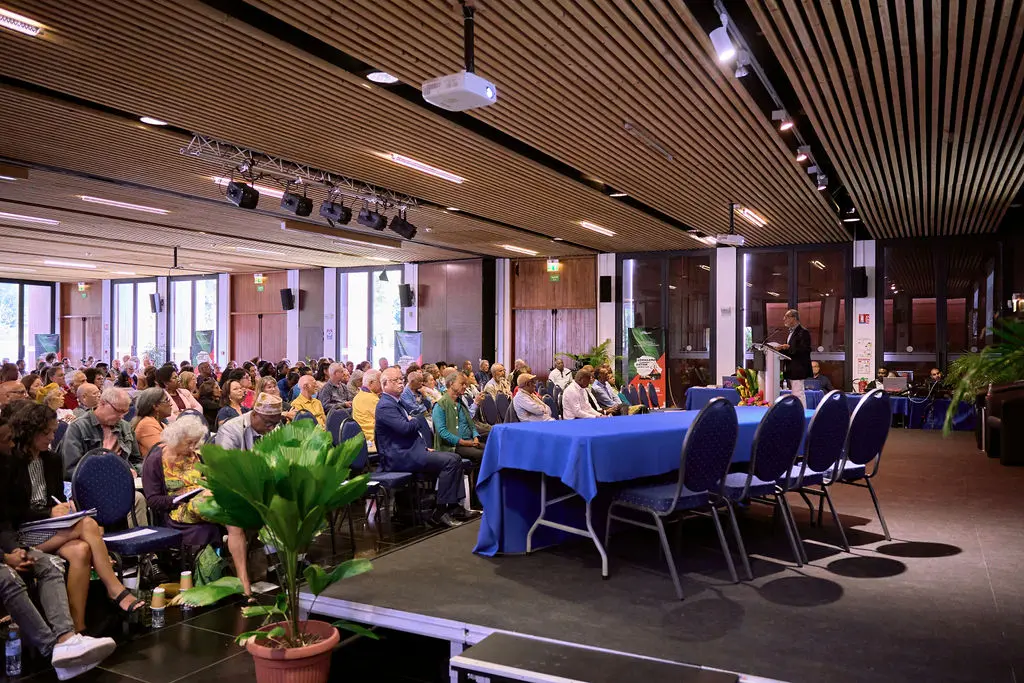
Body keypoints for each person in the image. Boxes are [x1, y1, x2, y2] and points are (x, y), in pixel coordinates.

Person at [4, 403, 145, 632]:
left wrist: (63, 508)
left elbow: (56, 497)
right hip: (23, 530)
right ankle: (115, 589)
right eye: (47, 432)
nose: (52, 437)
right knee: (89, 525)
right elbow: (10, 511)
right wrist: (48, 512)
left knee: (81, 550)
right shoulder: (12, 462)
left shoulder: (51, 460)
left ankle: (77, 628)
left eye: (52, 431)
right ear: (30, 432)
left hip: (50, 527)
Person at [144, 416, 253, 600]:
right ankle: (244, 582)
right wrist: (178, 498)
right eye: (189, 443)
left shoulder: (197, 456)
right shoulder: (156, 460)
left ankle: (242, 581)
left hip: (205, 506)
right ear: (175, 439)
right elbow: (153, 501)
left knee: (231, 513)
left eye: (195, 443)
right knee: (232, 517)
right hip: (177, 510)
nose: (192, 447)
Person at [376, 367, 466, 527]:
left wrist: (423, 445)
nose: (400, 382)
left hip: (412, 451)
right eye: (395, 380)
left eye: (400, 379)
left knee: (455, 458)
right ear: (384, 384)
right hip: (399, 457)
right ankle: (440, 512)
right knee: (451, 461)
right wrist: (415, 419)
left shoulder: (396, 402)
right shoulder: (385, 406)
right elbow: (405, 428)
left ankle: (454, 507)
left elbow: (409, 429)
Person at [60, 387, 148, 528]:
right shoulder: (79, 428)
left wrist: (132, 470)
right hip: (90, 487)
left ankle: (140, 545)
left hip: (121, 486)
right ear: (102, 403)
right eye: (118, 411)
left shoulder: (125, 427)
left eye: (125, 412)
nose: (122, 416)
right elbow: (70, 469)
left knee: (139, 499)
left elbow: (137, 460)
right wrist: (111, 475)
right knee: (134, 498)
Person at [432, 373, 484, 462]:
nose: (465, 386)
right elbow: (442, 432)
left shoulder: (460, 402)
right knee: (482, 454)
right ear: (451, 384)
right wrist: (463, 442)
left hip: (469, 442)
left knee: (492, 449)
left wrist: (475, 436)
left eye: (466, 384)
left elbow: (471, 424)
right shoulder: (440, 405)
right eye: (462, 384)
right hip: (452, 446)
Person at [215, 392, 283, 450]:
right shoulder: (229, 430)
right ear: (254, 414)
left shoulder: (275, 429)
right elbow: (223, 462)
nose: (272, 428)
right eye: (268, 423)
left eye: (275, 424)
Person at [777, 309, 812, 407]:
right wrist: (780, 349)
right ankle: (798, 412)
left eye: (787, 317)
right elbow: (791, 351)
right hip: (791, 367)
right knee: (795, 393)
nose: (784, 319)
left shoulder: (803, 332)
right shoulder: (791, 332)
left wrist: (788, 347)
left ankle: (802, 414)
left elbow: (805, 349)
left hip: (799, 368)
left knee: (798, 393)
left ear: (794, 318)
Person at [131, 387, 171, 457]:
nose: (170, 404)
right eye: (166, 400)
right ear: (155, 406)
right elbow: (163, 453)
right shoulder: (147, 424)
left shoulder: (161, 424)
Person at [352, 370, 382, 446]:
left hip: (363, 437)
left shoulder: (359, 395)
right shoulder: (371, 399)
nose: (382, 384)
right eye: (380, 381)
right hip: (373, 439)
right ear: (371, 383)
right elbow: (388, 420)